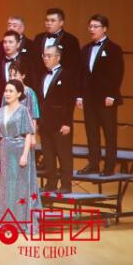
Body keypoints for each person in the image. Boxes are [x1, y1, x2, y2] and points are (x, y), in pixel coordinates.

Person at [77, 14, 125, 176]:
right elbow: (82, 74)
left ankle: (110, 166)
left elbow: (117, 73)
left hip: (106, 99)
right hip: (89, 98)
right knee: (92, 133)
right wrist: (79, 96)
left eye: (95, 26)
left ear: (104, 29)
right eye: (90, 26)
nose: (92, 29)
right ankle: (94, 163)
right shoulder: (86, 49)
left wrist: (112, 95)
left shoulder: (114, 48)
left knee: (109, 134)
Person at [0, 79, 41, 228]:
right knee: (7, 186)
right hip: (5, 149)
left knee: (20, 186)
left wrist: (25, 155)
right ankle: (6, 218)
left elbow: (28, 134)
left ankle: (21, 220)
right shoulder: (1, 111)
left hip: (19, 150)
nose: (7, 94)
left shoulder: (23, 110)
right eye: (6, 91)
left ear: (19, 94)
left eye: (11, 91)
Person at [37, 44, 77, 193]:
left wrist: (67, 123)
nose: (45, 59)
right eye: (44, 56)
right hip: (45, 123)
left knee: (63, 154)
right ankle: (51, 183)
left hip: (60, 123)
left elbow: (69, 101)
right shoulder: (43, 75)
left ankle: (66, 184)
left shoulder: (67, 75)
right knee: (48, 154)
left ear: (58, 57)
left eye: (49, 56)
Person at [33, 7, 81, 77]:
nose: (49, 23)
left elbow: (73, 65)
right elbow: (34, 60)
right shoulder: (38, 38)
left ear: (61, 23)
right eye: (47, 20)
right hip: (39, 77)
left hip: (61, 78)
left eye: (53, 21)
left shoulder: (70, 40)